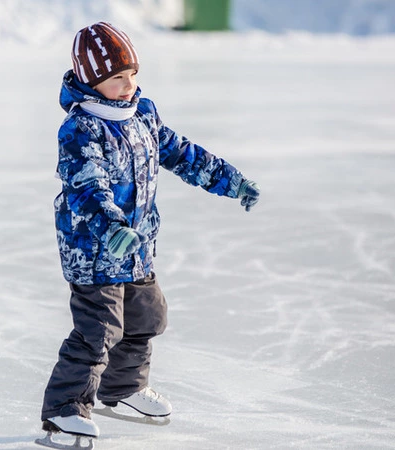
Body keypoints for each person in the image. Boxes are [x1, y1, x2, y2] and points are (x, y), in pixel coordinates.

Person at [40, 22, 260, 439]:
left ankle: (123, 388)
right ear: (90, 81)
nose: (128, 85)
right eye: (116, 78)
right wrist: (112, 228)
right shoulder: (81, 128)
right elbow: (86, 186)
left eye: (132, 75)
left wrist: (231, 181)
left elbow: (182, 153)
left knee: (146, 317)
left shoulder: (143, 115)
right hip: (95, 251)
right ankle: (63, 409)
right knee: (98, 333)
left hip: (138, 247)